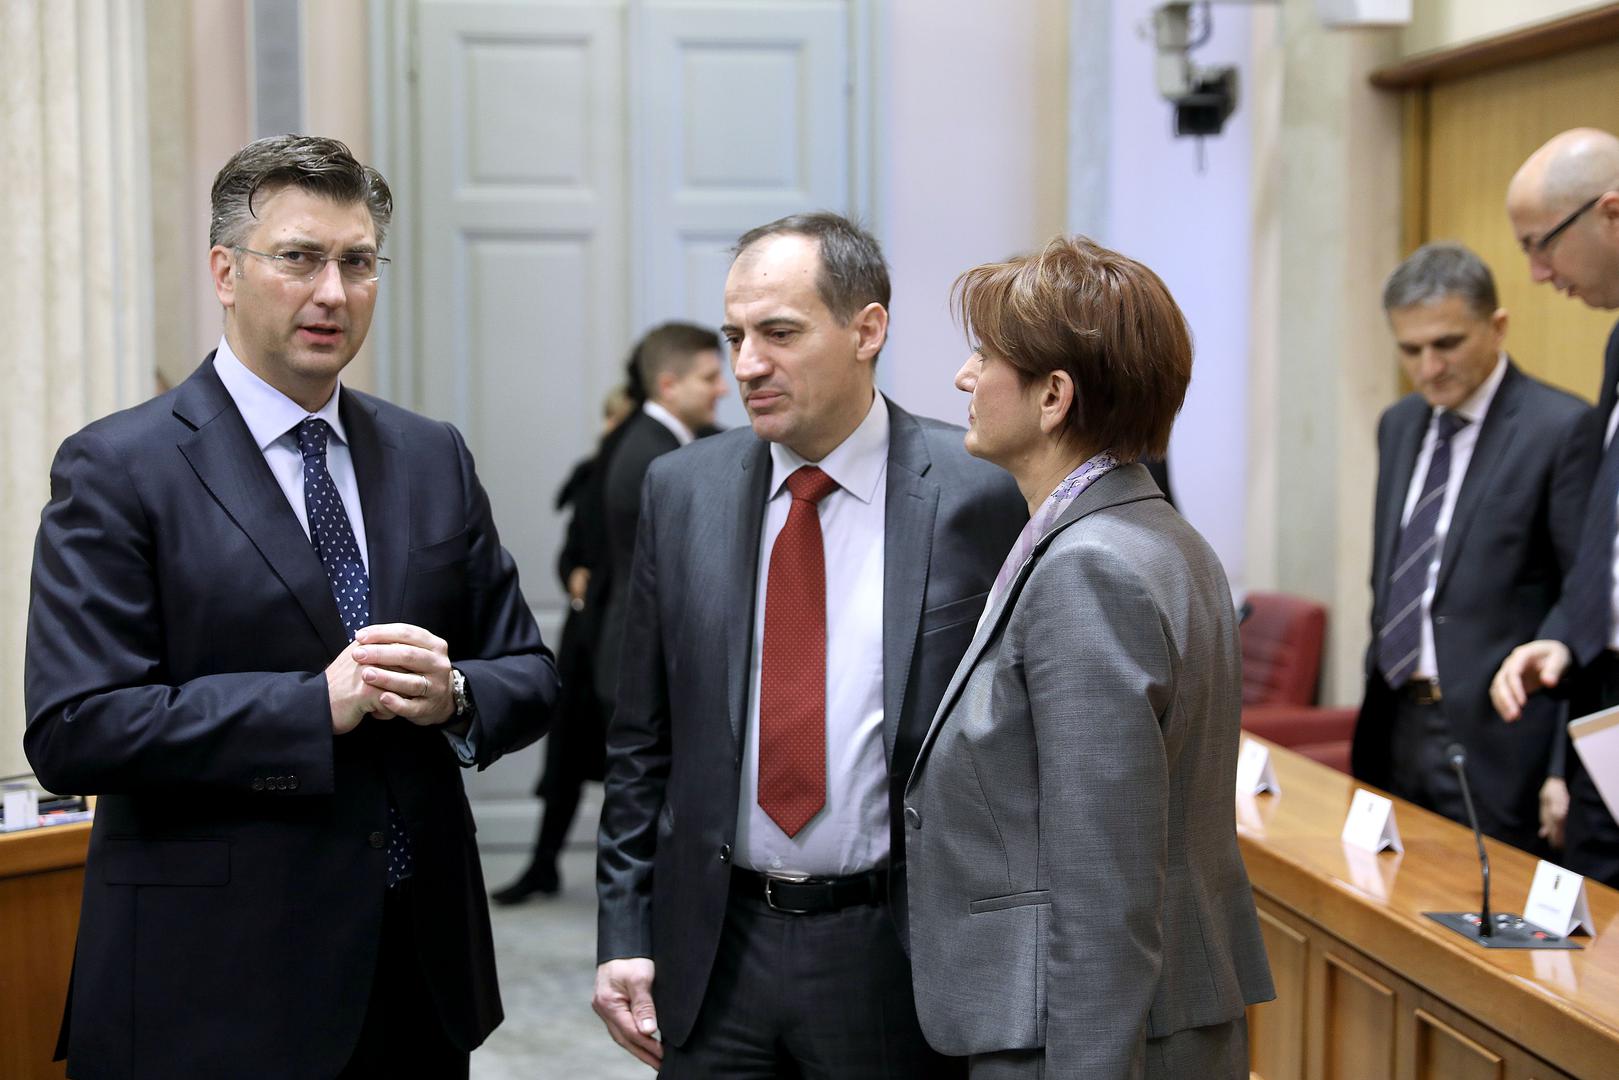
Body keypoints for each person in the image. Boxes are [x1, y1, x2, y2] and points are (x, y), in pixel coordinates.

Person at [23, 135, 557, 1078]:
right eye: (300, 258)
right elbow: (76, 727)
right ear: (225, 273)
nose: (333, 293)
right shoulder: (119, 467)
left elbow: (529, 672)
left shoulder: (430, 455)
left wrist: (454, 696)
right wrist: (313, 706)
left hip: (416, 975)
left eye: (358, 262)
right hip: (215, 986)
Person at [592, 212, 1025, 1077]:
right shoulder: (682, 490)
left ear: (867, 330)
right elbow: (641, 740)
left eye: (779, 333)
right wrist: (623, 930)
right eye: (735, 337)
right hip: (715, 949)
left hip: (892, 950)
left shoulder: (979, 492)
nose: (747, 365)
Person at [904, 236, 1274, 1078]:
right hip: (1138, 1016)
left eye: (984, 357)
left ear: (1053, 396)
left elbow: (1103, 881)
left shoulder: (1088, 567)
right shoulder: (1159, 534)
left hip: (1079, 1036)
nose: (963, 378)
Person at [1351, 243, 1594, 853]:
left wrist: (1563, 764)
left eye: (1447, 344)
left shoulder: (1561, 428)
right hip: (1394, 719)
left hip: (1501, 742)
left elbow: (1582, 600)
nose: (1428, 367)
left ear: (1498, 326)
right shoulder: (1399, 424)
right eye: (1410, 350)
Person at [1493, 127, 1619, 886]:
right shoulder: (1617, 345)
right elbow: (1608, 517)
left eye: (1541, 246)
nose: (1538, 274)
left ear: (1612, 212)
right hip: (1604, 695)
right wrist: (1570, 635)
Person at [493, 386, 636, 905]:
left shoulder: (640, 472)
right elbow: (571, 551)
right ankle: (542, 865)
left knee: (627, 764)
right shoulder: (592, 476)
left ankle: (622, 878)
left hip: (620, 637)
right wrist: (573, 573)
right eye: (609, 418)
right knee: (565, 760)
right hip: (582, 641)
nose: (613, 429)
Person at [594, 322, 730, 712]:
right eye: (709, 378)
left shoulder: (677, 441)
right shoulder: (653, 456)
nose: (723, 388)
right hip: (645, 665)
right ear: (669, 386)